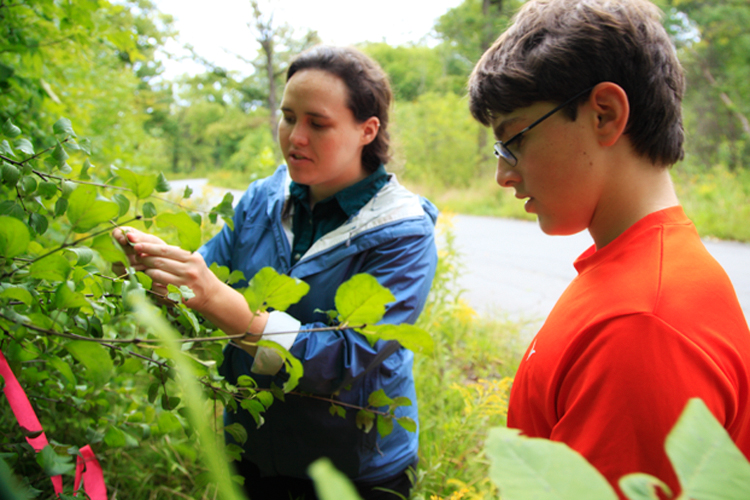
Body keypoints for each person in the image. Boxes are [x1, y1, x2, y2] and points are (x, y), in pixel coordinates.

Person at [114, 45, 438, 499]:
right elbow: (208, 272)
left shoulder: (402, 231)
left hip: (354, 472)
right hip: (253, 449)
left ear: (368, 130)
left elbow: (350, 357)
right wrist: (161, 270)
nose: (294, 137)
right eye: (288, 117)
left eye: (317, 123)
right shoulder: (264, 198)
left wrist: (229, 309)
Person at [468, 0, 750, 497]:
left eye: (515, 140)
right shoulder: (636, 272)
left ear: (605, 114)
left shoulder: (642, 322)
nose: (503, 175)